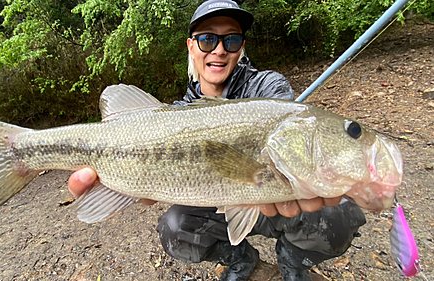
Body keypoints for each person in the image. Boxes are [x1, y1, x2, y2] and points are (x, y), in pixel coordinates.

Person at [68, 1, 366, 280]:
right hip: (215, 203)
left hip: (274, 201)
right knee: (173, 229)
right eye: (207, 40)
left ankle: (294, 260)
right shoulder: (176, 114)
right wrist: (127, 184)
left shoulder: (269, 87)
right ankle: (240, 258)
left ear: (241, 47)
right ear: (191, 46)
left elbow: (286, 143)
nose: (219, 50)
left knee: (338, 214)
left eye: (231, 40)